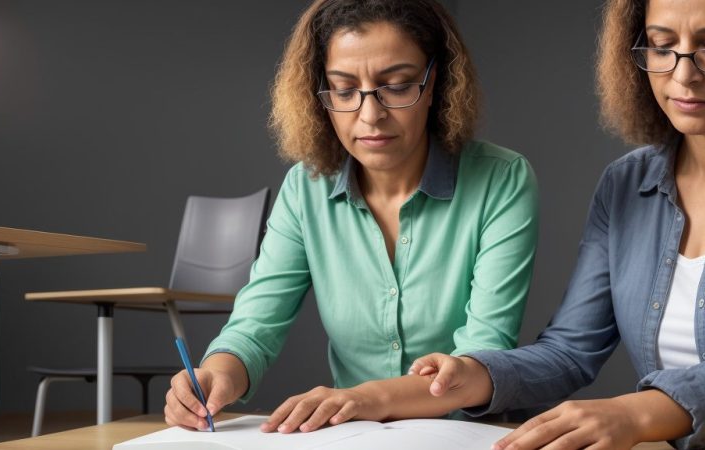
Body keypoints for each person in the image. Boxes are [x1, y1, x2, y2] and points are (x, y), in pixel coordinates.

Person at [408, 0, 705, 448]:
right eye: (661, 45)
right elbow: (570, 350)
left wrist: (629, 413)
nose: (683, 74)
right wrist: (474, 374)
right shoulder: (626, 182)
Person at [164, 0, 540, 434]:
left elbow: (481, 357)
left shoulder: (502, 179)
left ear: (434, 81)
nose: (370, 115)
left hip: (464, 434)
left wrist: (360, 398)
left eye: (397, 86)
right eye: (343, 90)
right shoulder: (306, 190)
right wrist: (220, 372)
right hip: (354, 434)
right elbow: (255, 326)